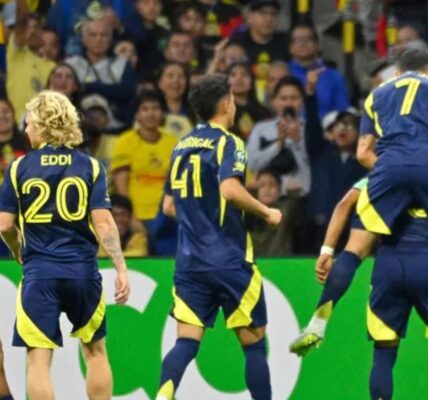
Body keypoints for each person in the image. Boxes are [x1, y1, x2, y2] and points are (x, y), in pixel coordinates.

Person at [156, 74, 282, 400]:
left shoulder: (181, 146)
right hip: (230, 259)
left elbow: (169, 206)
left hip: (190, 263)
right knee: (254, 345)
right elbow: (230, 189)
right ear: (226, 104)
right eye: (233, 100)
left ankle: (164, 394)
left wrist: (197, 216)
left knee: (186, 343)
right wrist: (266, 212)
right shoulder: (229, 143)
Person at [0, 90, 130, 399]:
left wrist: (17, 250)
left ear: (43, 125)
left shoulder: (18, 168)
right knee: (96, 353)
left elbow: (4, 225)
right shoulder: (91, 167)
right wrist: (121, 268)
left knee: (38, 362)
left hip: (40, 274)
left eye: (29, 123)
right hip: (83, 272)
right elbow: (104, 224)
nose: (26, 129)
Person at [111, 90, 177, 228]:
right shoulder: (125, 142)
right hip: (138, 216)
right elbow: (121, 188)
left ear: (163, 113)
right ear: (137, 115)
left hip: (168, 216)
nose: (151, 113)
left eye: (156, 108)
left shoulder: (173, 142)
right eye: (145, 109)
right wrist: (132, 220)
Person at [66, 18, 137, 131]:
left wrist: (88, 87)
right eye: (93, 35)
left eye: (104, 35)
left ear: (111, 39)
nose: (99, 39)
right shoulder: (71, 64)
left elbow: (127, 91)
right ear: (84, 39)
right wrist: (110, 90)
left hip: (117, 127)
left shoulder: (122, 63)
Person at [7, 0, 56, 124]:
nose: (33, 31)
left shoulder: (53, 67)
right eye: (28, 28)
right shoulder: (16, 53)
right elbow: (22, 19)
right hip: (16, 124)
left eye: (37, 27)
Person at [288, 23, 350, 118]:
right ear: (290, 47)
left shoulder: (334, 76)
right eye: (297, 40)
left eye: (308, 39)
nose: (303, 44)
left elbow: (342, 112)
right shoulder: (283, 73)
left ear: (317, 44)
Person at [247, 169, 294, 256]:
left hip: (279, 261)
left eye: (272, 185)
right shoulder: (247, 212)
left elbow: (293, 206)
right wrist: (249, 190)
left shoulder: (285, 210)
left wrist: (291, 192)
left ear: (280, 190)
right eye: (261, 185)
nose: (267, 189)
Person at [227, 62, 271, 141]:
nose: (239, 78)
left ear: (251, 82)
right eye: (233, 75)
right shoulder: (219, 112)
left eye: (244, 75)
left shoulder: (264, 113)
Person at [157, 62, 194, 138]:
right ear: (160, 83)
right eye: (170, 76)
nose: (176, 80)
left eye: (181, 76)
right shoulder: (151, 111)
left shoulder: (196, 112)